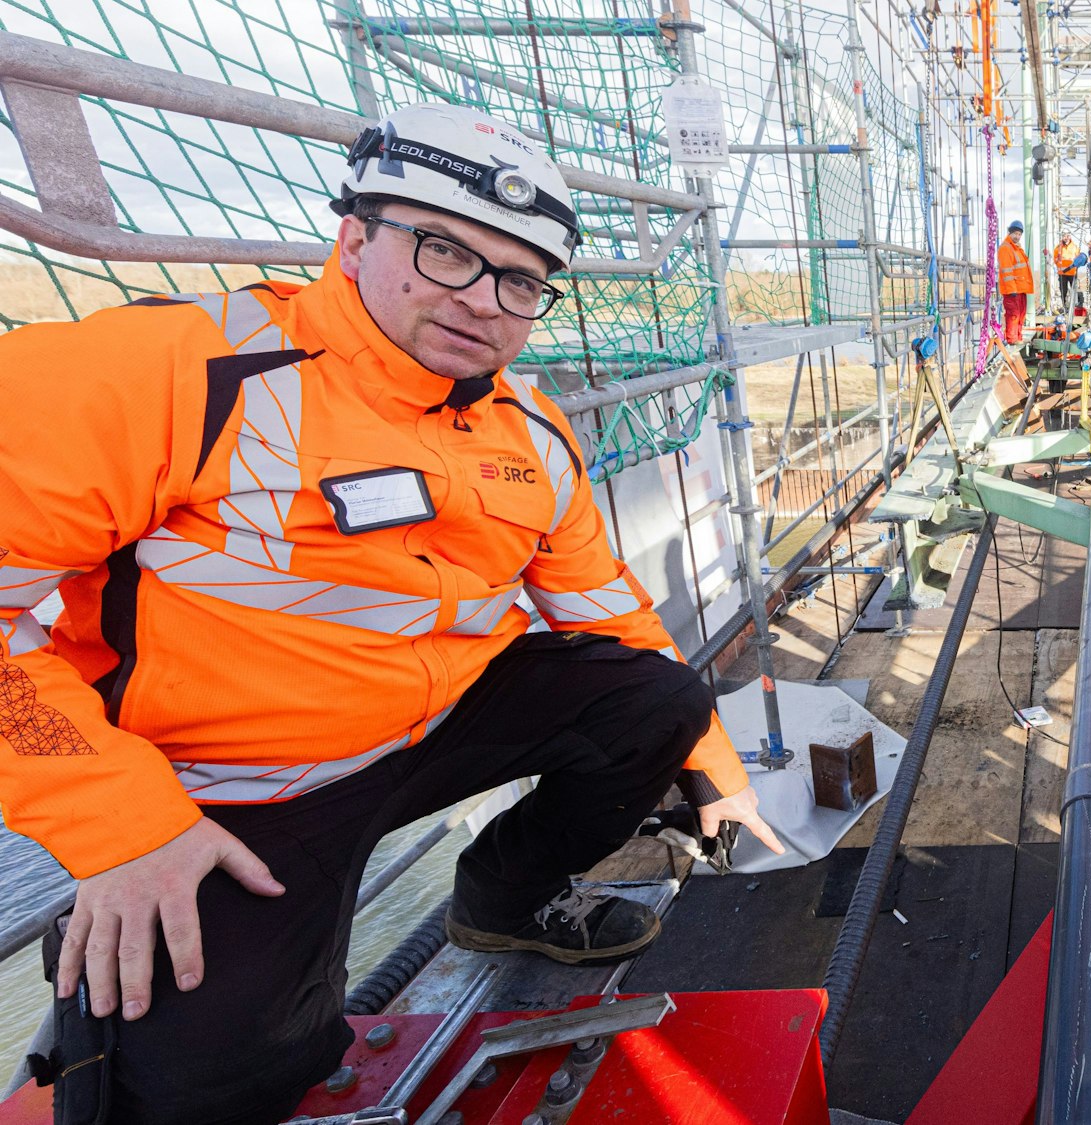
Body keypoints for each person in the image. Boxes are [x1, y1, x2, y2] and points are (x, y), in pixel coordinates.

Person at [0, 102, 782, 1125]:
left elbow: (609, 616)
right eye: (446, 250)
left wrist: (712, 769)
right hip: (234, 796)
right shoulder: (167, 371)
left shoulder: (528, 431)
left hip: (428, 733)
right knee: (220, 1079)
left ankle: (503, 902)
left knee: (654, 698)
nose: (482, 300)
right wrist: (121, 828)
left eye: (518, 280)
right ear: (355, 236)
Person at [998, 219, 1034, 344]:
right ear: (1010, 233)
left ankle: (1018, 337)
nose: (1017, 236)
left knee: (1021, 314)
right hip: (1012, 290)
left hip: (1020, 289)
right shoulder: (1006, 248)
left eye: (1019, 234)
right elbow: (1006, 271)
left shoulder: (1017, 249)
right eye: (1015, 234)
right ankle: (1012, 338)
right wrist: (1011, 289)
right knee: (1013, 314)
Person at [1051, 229, 1081, 313]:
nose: (1066, 238)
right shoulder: (1058, 248)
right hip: (1062, 273)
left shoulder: (1075, 247)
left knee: (1074, 290)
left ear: (1070, 236)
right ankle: (1064, 307)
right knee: (1063, 291)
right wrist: (1059, 263)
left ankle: (1075, 306)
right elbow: (1055, 259)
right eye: (1064, 236)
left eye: (1067, 236)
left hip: (1072, 273)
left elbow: (1079, 259)